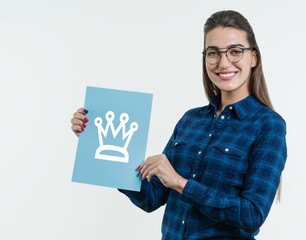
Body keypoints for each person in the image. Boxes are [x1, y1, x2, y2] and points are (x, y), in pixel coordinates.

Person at [71, 10, 287, 240]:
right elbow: (152, 197)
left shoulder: (268, 125)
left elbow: (252, 215)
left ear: (253, 57)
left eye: (235, 51)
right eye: (213, 53)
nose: (223, 62)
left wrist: (181, 183)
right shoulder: (191, 120)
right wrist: (95, 142)